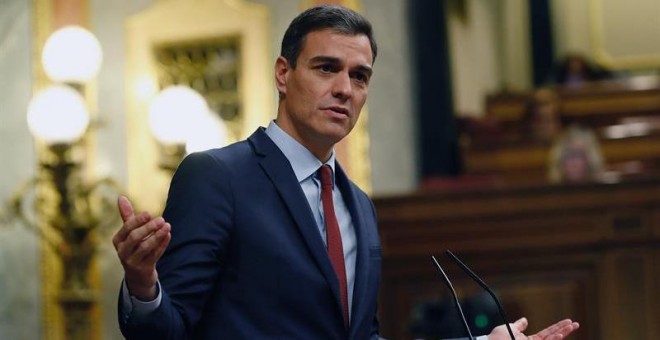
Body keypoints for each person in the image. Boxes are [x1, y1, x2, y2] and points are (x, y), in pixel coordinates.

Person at [113, 5, 580, 339]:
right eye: (325, 68)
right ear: (283, 73)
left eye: (359, 76)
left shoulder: (357, 203)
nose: (344, 89)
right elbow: (166, 330)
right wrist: (142, 284)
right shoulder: (216, 176)